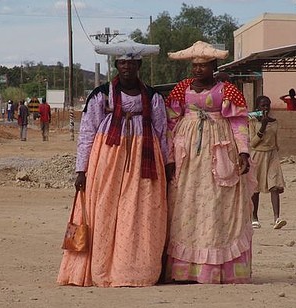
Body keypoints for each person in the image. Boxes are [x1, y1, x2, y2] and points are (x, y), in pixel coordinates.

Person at [57, 41, 170, 287]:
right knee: (104, 211)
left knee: (140, 212)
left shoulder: (152, 96)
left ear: (138, 65)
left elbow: (162, 132)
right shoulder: (101, 94)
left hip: (144, 160)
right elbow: (87, 131)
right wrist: (81, 169)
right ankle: (101, 270)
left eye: (131, 63)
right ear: (116, 65)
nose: (127, 67)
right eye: (122, 63)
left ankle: (133, 271)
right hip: (107, 159)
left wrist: (167, 165)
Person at [165, 41, 256, 284]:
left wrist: (244, 151)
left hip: (219, 151)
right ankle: (186, 268)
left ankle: (217, 268)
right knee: (187, 204)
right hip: (188, 157)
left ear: (214, 66)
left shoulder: (227, 90)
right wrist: (170, 156)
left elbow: (239, 122)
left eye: (203, 66)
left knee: (218, 204)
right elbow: (171, 123)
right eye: (195, 66)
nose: (198, 70)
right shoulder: (181, 89)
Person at [249, 96, 287, 230]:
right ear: (258, 107)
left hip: (272, 155)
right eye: (263, 106)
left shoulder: (274, 122)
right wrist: (262, 127)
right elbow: (252, 143)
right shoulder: (252, 121)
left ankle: (277, 218)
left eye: (267, 105)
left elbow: (276, 141)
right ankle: (254, 218)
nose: (265, 108)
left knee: (274, 185)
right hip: (257, 154)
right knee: (255, 188)